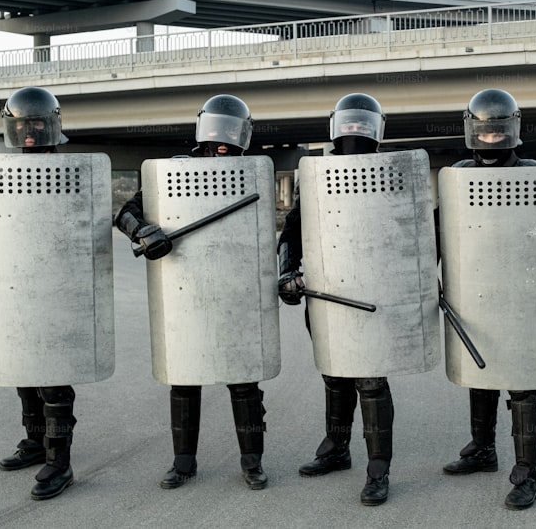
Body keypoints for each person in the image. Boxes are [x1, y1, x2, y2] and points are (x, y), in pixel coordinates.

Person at [115, 94, 270, 491]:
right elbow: (126, 213)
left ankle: (252, 461)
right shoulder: (173, 172)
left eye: (230, 132)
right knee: (185, 377)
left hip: (237, 288)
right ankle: (183, 462)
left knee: (243, 378)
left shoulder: (252, 174)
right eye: (217, 130)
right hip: (186, 287)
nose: (223, 140)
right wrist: (143, 231)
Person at [0, 86, 80, 501]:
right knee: (24, 371)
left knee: (52, 378)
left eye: (36, 124)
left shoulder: (74, 173)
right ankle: (35, 442)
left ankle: (60, 463)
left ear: (51, 127)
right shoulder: (0, 173)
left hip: (58, 286)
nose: (29, 133)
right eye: (23, 124)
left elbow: (83, 231)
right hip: (15, 287)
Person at [277, 93, 396, 506]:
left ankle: (378, 469)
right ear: (336, 127)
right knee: (335, 372)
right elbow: (292, 231)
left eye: (362, 125)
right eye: (349, 125)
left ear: (376, 129)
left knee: (371, 379)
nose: (355, 132)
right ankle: (337, 447)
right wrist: (288, 271)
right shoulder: (316, 175)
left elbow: (414, 232)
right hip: (326, 289)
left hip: (373, 291)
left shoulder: (392, 173)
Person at [439, 89, 536, 510]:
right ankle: (483, 449)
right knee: (479, 372)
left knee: (522, 382)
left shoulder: (535, 173)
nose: (491, 139)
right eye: (484, 132)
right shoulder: (457, 175)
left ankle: (527, 475)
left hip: (522, 293)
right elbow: (438, 230)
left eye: (497, 131)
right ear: (472, 131)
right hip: (474, 288)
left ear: (513, 130)